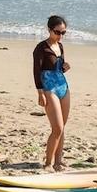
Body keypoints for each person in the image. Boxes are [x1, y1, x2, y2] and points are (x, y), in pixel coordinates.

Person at [33, 15, 71, 172]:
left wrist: (65, 67)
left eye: (63, 33)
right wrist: (40, 92)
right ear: (49, 30)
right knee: (57, 128)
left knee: (62, 128)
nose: (60, 35)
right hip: (48, 88)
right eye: (57, 32)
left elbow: (58, 68)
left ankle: (58, 161)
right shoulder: (41, 48)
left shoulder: (60, 46)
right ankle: (48, 163)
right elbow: (36, 71)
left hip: (63, 86)